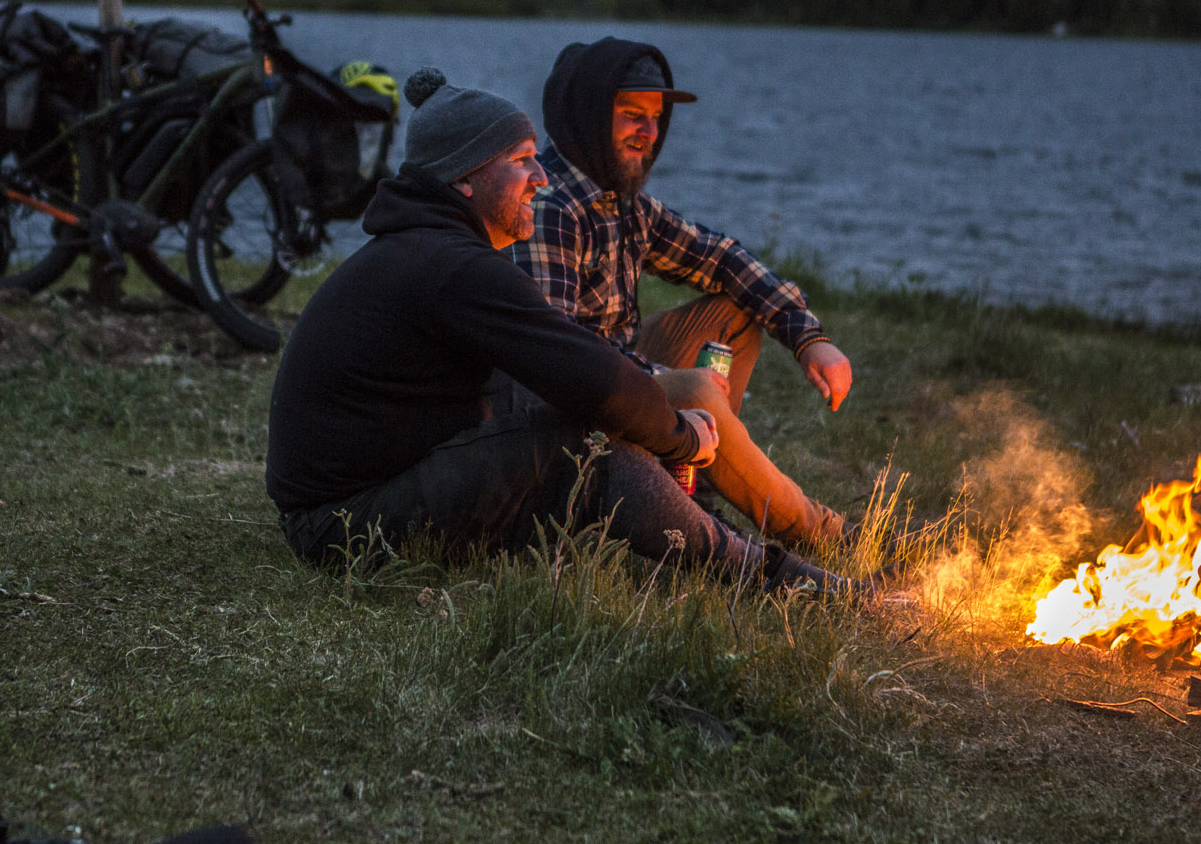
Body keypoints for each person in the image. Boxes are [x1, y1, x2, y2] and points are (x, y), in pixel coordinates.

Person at [266, 67, 841, 592]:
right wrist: (680, 435)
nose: (541, 177)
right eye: (521, 160)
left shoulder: (428, 250)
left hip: (349, 502)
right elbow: (589, 373)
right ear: (464, 179)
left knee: (571, 415)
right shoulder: (452, 266)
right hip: (341, 527)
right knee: (594, 453)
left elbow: (560, 374)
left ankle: (710, 529)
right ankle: (781, 580)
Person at [511, 38, 855, 551]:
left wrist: (808, 338)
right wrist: (664, 381)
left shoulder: (623, 203)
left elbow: (720, 257)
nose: (648, 133)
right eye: (632, 115)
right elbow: (558, 354)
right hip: (567, 409)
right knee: (696, 390)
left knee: (734, 313)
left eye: (654, 118)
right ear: (588, 116)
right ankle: (825, 534)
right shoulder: (551, 207)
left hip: (617, 372)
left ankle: (695, 485)